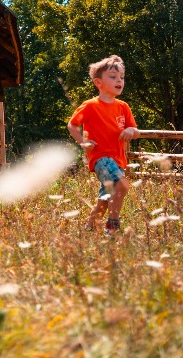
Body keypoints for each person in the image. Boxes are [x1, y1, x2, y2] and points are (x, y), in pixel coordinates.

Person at [67, 55, 140, 234]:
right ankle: (112, 228)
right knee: (122, 185)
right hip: (100, 157)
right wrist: (83, 142)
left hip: (118, 160)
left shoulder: (123, 107)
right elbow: (72, 124)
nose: (119, 81)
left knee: (106, 198)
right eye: (113, 77)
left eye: (121, 77)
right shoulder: (91, 106)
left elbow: (135, 131)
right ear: (98, 82)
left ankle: (88, 230)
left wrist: (131, 131)